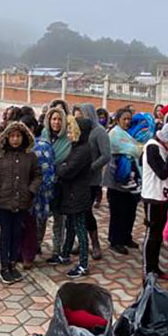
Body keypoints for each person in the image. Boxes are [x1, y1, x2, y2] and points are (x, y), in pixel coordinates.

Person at [0, 121, 41, 283]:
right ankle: (3, 267)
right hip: (3, 202)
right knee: (5, 234)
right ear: (6, 137)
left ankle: (12, 264)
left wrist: (31, 191)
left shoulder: (30, 156)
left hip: (22, 201)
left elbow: (37, 175)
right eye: (12, 136)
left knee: (17, 234)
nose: (15, 139)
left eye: (18, 136)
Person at [140, 121, 168, 278]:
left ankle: (155, 268)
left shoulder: (164, 148)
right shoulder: (152, 147)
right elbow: (162, 173)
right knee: (152, 234)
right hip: (153, 197)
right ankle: (148, 269)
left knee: (160, 235)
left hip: (165, 197)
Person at [56, 117, 96, 278]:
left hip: (78, 195)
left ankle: (83, 264)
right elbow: (65, 165)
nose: (69, 132)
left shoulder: (83, 150)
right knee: (70, 226)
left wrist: (61, 168)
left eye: (72, 130)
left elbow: (66, 170)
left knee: (80, 228)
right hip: (72, 193)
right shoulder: (77, 146)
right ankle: (65, 255)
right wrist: (63, 166)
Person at [72, 103, 108, 261]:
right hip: (77, 179)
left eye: (81, 116)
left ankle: (95, 243)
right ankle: (82, 240)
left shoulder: (99, 132)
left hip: (91, 180)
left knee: (87, 211)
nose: (79, 119)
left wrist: (90, 167)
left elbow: (106, 155)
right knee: (78, 211)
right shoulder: (77, 131)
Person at [106, 108, 143, 254]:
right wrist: (138, 148)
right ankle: (115, 240)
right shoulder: (114, 134)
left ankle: (127, 237)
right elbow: (134, 150)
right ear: (117, 120)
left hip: (133, 178)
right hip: (118, 179)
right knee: (118, 211)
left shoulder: (131, 134)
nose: (127, 122)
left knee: (130, 211)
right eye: (124, 119)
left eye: (129, 119)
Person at [40, 106, 72, 264]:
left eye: (60, 119)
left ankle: (57, 250)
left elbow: (68, 161)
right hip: (44, 185)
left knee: (59, 220)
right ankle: (36, 245)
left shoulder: (68, 140)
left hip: (60, 185)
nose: (56, 122)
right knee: (41, 218)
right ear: (48, 120)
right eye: (53, 119)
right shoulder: (44, 136)